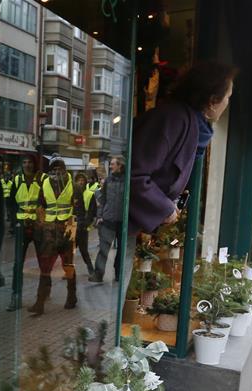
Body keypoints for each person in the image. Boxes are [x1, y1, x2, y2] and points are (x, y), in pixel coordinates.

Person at [128, 61, 235, 300]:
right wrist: (165, 208)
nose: (228, 103)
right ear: (212, 100)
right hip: (119, 226)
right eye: (227, 97)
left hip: (127, 225)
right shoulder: (174, 120)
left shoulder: (188, 124)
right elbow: (134, 174)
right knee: (109, 295)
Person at [30, 157, 76, 314]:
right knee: (45, 266)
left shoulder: (73, 185)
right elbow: (40, 205)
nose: (56, 173)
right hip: (49, 231)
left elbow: (80, 210)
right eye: (53, 169)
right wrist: (40, 225)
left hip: (66, 231)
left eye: (59, 169)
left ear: (65, 170)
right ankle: (40, 302)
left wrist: (76, 229)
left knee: (68, 265)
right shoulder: (45, 184)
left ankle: (72, 296)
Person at [6, 155, 46, 312]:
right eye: (24, 162)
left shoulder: (42, 180)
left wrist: (42, 220)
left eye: (30, 162)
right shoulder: (17, 180)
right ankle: (16, 297)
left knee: (44, 263)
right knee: (18, 263)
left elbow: (47, 201)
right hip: (22, 226)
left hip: (37, 227)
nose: (27, 165)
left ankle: (41, 297)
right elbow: (10, 202)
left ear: (34, 164)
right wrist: (15, 217)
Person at [91, 155, 126, 283]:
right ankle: (98, 274)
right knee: (103, 248)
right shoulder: (108, 181)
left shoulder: (127, 181)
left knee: (121, 250)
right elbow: (102, 199)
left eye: (112, 164)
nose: (110, 166)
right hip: (108, 219)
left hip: (123, 222)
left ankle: (118, 274)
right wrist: (100, 216)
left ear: (120, 166)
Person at [71, 170, 96, 277]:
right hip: (72, 224)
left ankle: (91, 270)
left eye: (82, 180)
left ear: (86, 182)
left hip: (83, 225)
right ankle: (69, 271)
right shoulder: (72, 193)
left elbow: (92, 211)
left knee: (83, 249)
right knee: (70, 250)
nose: (80, 182)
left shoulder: (90, 194)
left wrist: (86, 224)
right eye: (78, 180)